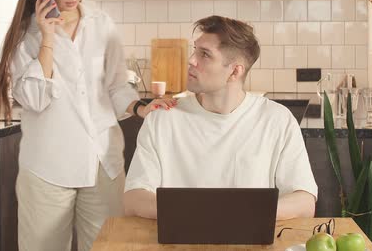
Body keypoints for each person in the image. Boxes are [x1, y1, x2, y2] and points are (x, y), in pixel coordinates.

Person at [0, 0, 176, 251]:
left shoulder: (102, 24)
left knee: (107, 249)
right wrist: (47, 37)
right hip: (48, 170)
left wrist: (141, 107)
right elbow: (35, 98)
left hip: (103, 164)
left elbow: (116, 86)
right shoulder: (25, 35)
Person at [123, 16, 318, 220]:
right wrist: (206, 214)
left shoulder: (277, 120)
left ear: (234, 71)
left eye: (205, 54)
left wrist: (236, 215)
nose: (191, 59)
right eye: (195, 49)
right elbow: (134, 200)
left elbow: (304, 202)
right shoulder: (163, 119)